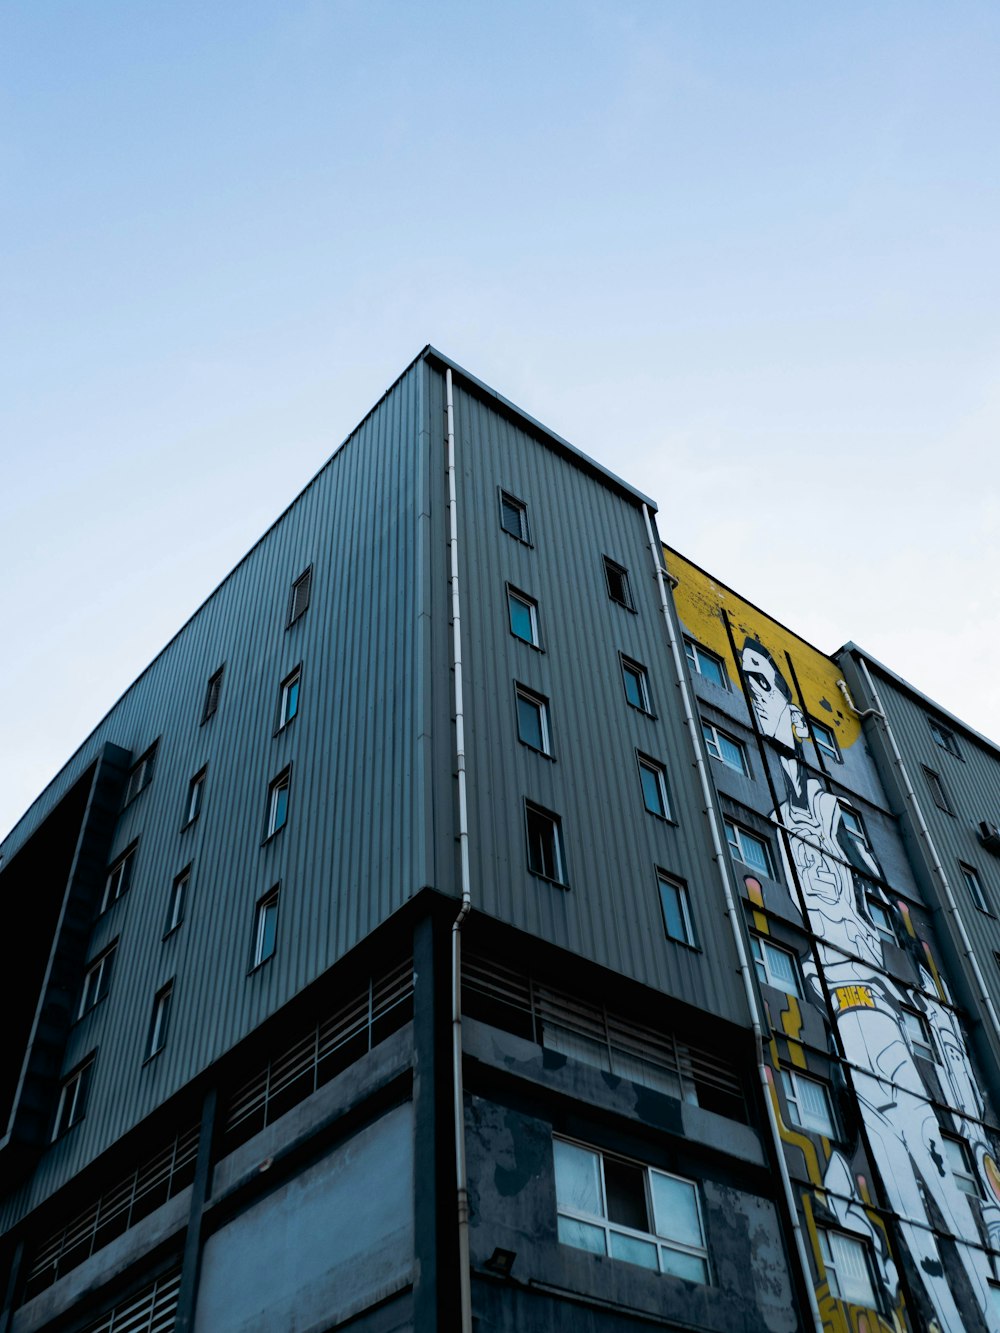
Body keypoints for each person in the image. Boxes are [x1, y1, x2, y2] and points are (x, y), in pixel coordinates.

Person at [741, 638, 1000, 1332]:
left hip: (881, 1022)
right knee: (912, 1228)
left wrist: (931, 1009)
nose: (758, 694)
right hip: (845, 1037)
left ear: (791, 710)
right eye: (748, 681)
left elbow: (894, 909)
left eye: (764, 679)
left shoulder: (828, 810)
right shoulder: (775, 818)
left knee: (949, 1202)